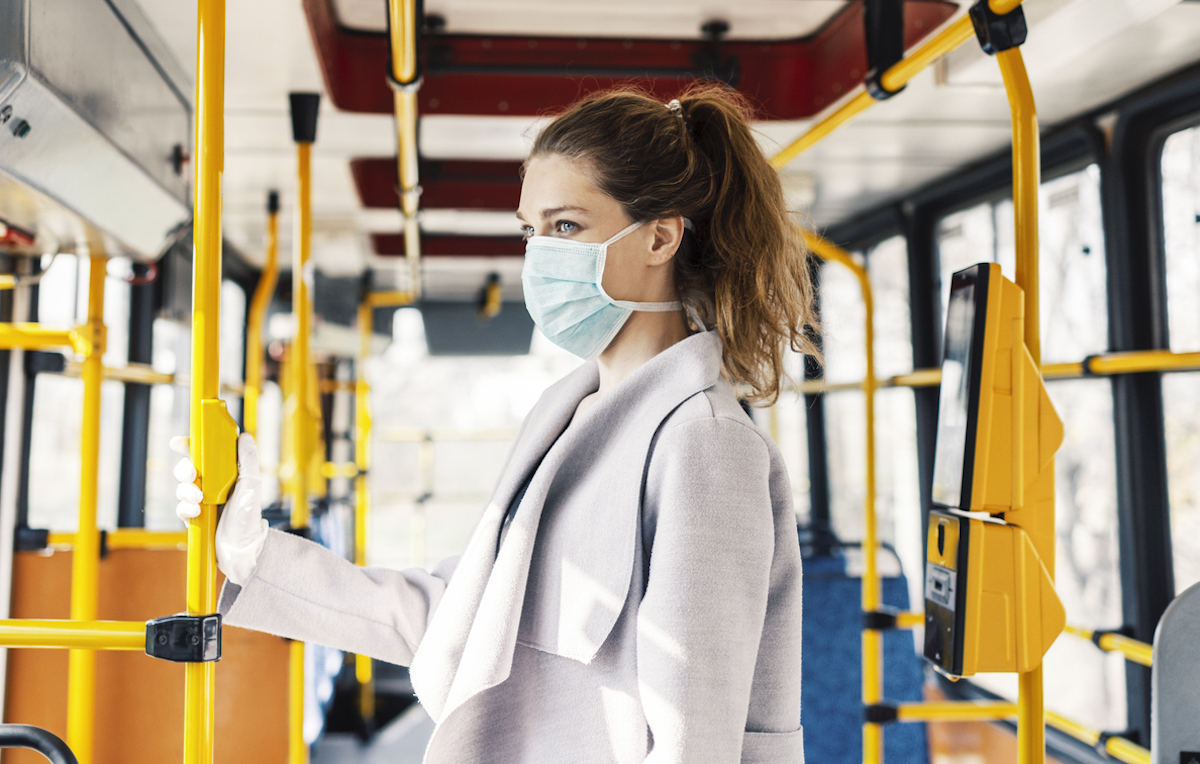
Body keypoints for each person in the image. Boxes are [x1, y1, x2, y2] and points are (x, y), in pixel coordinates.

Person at [173, 83, 818, 763]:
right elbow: (466, 619)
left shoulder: (704, 444)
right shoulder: (565, 417)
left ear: (660, 236)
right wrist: (254, 556)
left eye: (566, 226)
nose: (540, 254)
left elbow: (693, 737)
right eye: (530, 230)